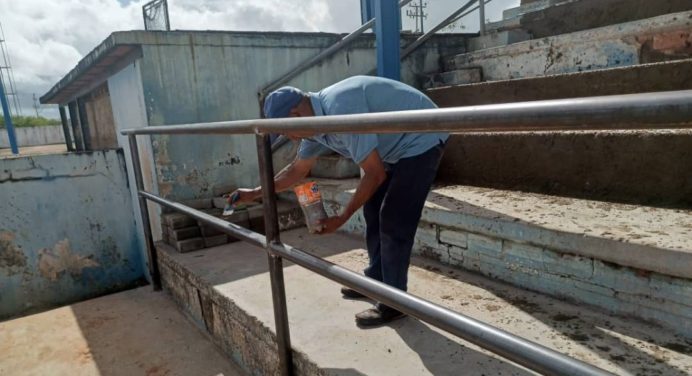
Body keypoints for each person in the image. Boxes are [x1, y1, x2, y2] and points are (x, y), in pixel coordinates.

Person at [231, 75, 447, 327]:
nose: (290, 138)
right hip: (394, 146)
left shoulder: (340, 110)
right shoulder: (316, 128)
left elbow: (375, 173)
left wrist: (341, 218)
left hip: (423, 136)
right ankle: (375, 282)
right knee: (372, 209)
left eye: (286, 130)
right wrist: (254, 192)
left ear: (296, 113)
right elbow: (297, 170)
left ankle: (394, 302)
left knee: (393, 219)